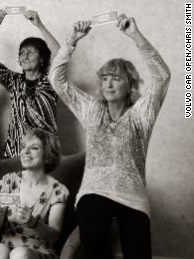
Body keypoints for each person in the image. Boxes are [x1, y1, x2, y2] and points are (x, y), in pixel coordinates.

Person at [49, 15, 171, 259]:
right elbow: (57, 80)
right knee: (93, 236)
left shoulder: (141, 115)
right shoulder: (93, 110)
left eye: (116, 79)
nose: (109, 84)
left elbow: (162, 78)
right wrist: (72, 40)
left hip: (133, 197)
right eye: (105, 78)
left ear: (130, 85)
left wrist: (135, 35)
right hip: (95, 191)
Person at [0, 9, 60, 158]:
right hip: (16, 152)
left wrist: (39, 24)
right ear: (19, 60)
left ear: (42, 59)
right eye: (22, 52)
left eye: (31, 52)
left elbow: (60, 55)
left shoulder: (50, 80)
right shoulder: (15, 81)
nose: (25, 56)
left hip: (45, 152)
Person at [0, 129, 69, 259]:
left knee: (20, 254)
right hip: (7, 247)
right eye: (24, 147)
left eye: (34, 148)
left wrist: (33, 222)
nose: (25, 151)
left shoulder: (57, 190)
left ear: (48, 156)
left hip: (38, 250)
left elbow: (54, 237)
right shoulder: (9, 180)